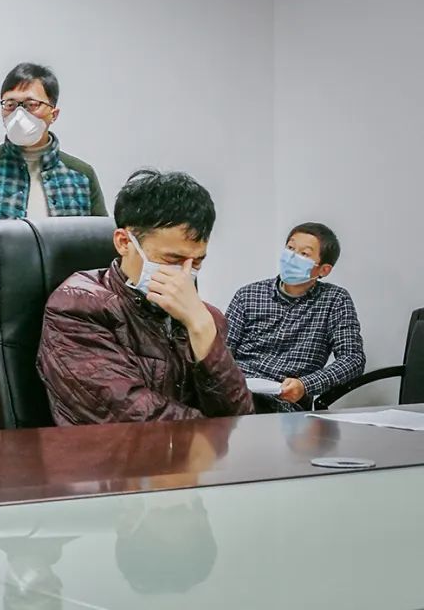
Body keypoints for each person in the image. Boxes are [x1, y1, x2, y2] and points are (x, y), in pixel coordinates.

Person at [36, 169, 254, 425]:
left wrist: (203, 330)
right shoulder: (77, 306)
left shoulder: (203, 318)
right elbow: (130, 416)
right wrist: (218, 434)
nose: (185, 275)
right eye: (172, 259)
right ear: (124, 242)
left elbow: (242, 421)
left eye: (196, 262)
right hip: (111, 451)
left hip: (198, 450)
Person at [0, 62, 107, 221]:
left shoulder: (81, 175)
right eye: (10, 105)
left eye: (31, 105)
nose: (19, 114)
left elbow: (102, 239)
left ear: (53, 114)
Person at [226, 223, 365, 412]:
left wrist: (305, 385)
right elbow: (222, 350)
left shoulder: (335, 300)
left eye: (304, 254)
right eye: (290, 248)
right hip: (235, 389)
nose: (292, 257)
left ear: (323, 270)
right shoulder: (248, 295)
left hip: (283, 401)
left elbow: (353, 359)